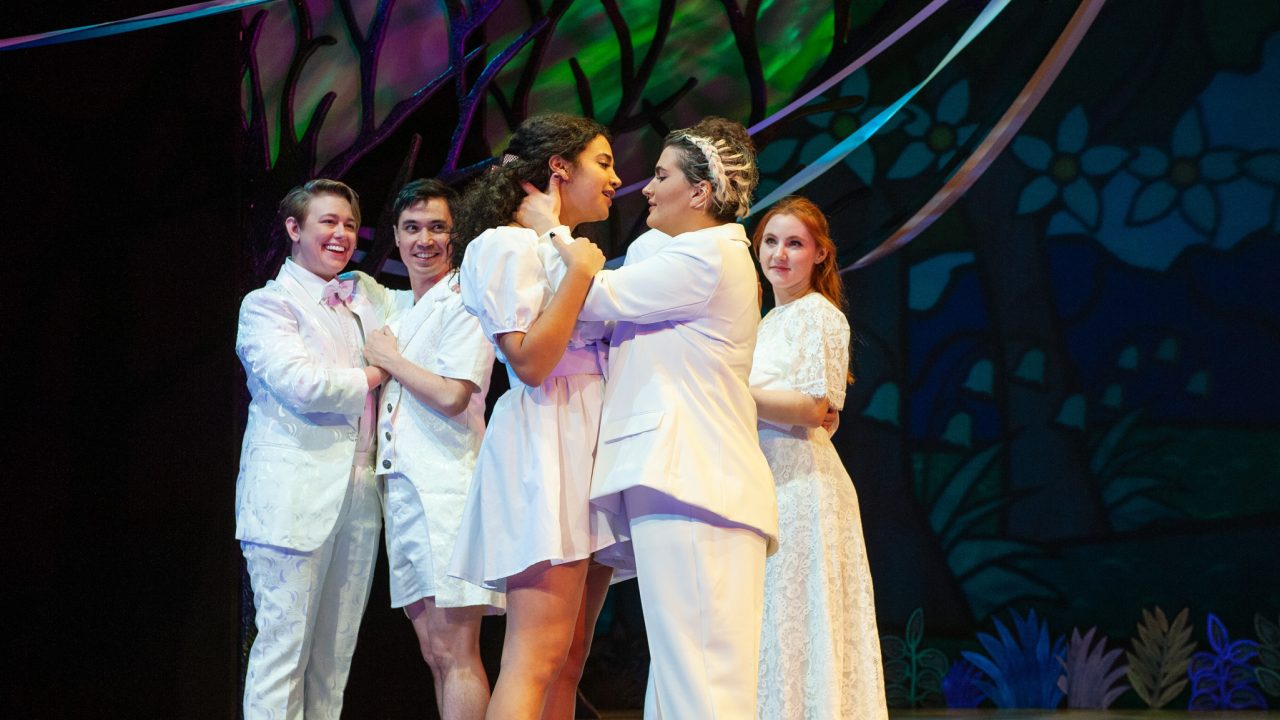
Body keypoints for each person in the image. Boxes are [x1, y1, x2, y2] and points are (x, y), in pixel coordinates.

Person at [523, 116, 778, 719]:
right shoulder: (679, 254)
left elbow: (594, 296)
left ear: (701, 192)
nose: (647, 188)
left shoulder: (710, 255)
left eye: (662, 176)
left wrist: (550, 231)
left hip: (697, 481)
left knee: (701, 678)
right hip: (683, 483)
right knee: (680, 673)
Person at [447, 113, 627, 720]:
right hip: (546, 439)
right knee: (537, 654)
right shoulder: (505, 245)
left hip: (589, 438)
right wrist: (578, 270)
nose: (616, 179)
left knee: (570, 657)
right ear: (559, 167)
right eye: (603, 162)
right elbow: (528, 361)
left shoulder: (560, 246)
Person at [235, 179, 401, 719]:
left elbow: (430, 304)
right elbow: (303, 385)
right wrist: (380, 370)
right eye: (328, 221)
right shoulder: (268, 305)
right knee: (283, 653)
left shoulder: (365, 298)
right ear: (294, 228)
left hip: (359, 492)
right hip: (292, 496)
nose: (341, 234)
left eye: (350, 224)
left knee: (334, 661)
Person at [362, 179, 504, 720]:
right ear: (396, 237)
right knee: (434, 652)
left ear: (455, 236)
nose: (425, 240)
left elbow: (451, 395)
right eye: (413, 228)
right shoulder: (404, 313)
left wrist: (389, 360)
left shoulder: (463, 301)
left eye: (437, 228)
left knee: (456, 652)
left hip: (447, 491)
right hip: (405, 492)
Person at [750, 196, 887, 720]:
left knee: (801, 623)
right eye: (770, 241)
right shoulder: (766, 323)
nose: (780, 254)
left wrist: (730, 391)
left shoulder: (820, 315)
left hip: (803, 489)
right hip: (767, 484)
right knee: (775, 628)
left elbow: (815, 407)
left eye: (795, 243)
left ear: (820, 254)